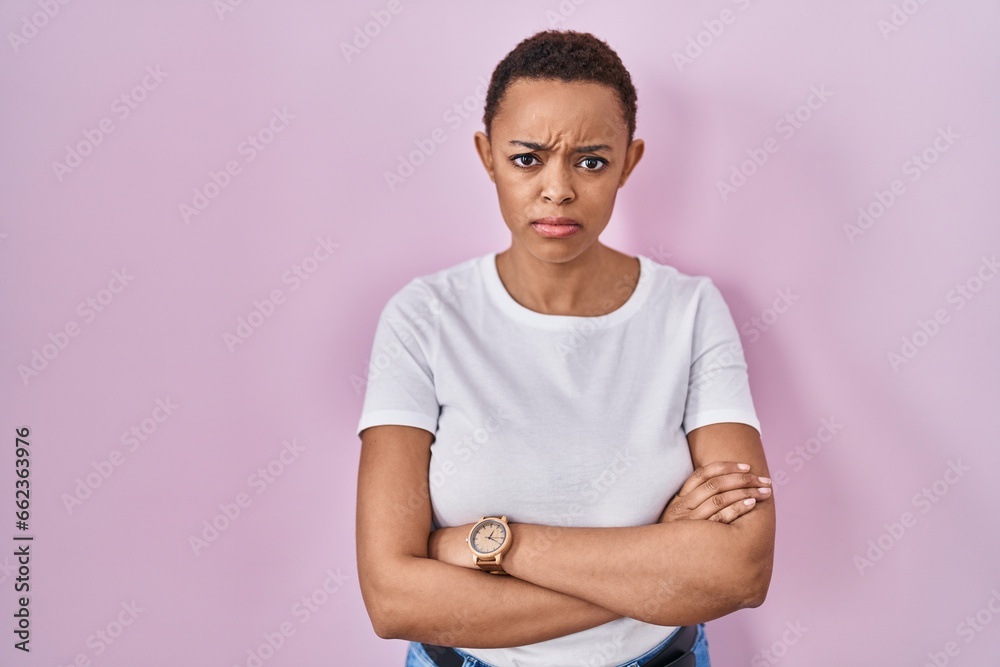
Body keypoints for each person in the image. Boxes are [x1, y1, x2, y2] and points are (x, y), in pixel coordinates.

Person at [355, 29, 775, 667]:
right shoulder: (424, 318)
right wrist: (664, 567)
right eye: (527, 158)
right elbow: (392, 599)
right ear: (487, 155)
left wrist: (494, 544)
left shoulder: (689, 311)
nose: (557, 189)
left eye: (591, 161)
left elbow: (742, 568)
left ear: (629, 163)